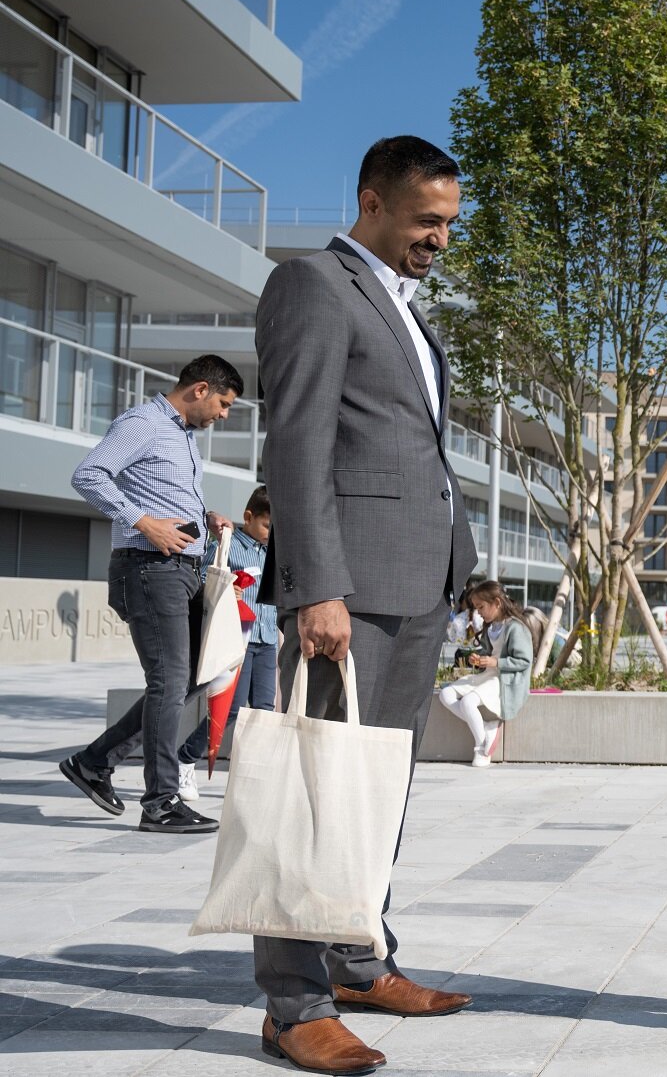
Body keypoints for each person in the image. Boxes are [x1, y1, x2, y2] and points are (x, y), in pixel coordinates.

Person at [253, 136, 479, 1074]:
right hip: (349, 592)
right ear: (371, 202)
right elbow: (297, 443)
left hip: (417, 586)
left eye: (449, 225)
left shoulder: (408, 309)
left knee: (376, 793)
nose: (439, 239)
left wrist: (456, 566)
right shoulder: (314, 284)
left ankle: (356, 958)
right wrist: (315, 585)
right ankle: (291, 1002)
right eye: (426, 221)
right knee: (315, 793)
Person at [58, 355, 243, 833]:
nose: (224, 416)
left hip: (181, 569)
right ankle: (160, 803)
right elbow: (89, 474)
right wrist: (142, 522)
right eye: (223, 404)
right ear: (201, 389)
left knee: (199, 674)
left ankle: (94, 762)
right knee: (170, 681)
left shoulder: (181, 434)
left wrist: (206, 516)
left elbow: (161, 491)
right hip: (147, 569)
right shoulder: (143, 422)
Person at [177, 485, 278, 802]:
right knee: (230, 710)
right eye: (265, 525)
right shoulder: (228, 545)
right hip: (236, 640)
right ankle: (184, 760)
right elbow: (205, 579)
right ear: (249, 517)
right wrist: (225, 589)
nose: (269, 533)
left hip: (267, 639)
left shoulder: (272, 553)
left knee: (264, 710)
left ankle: (254, 774)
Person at [437, 580, 536, 767]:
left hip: (505, 680)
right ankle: (486, 730)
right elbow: (488, 652)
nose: (478, 612)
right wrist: (479, 658)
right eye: (476, 608)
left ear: (497, 603)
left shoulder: (516, 628)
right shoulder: (491, 627)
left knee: (468, 702)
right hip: (489, 675)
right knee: (446, 694)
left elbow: (524, 661)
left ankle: (482, 747)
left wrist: (494, 662)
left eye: (481, 607)